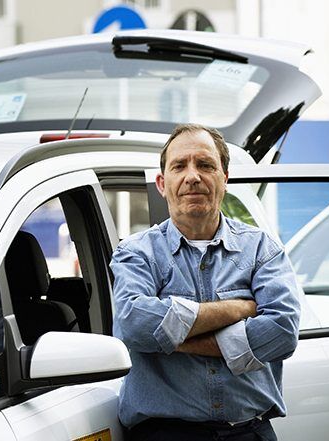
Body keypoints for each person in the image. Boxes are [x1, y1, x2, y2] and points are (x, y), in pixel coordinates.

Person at [111, 123, 300, 441]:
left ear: (224, 178)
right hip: (165, 435)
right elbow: (134, 325)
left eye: (205, 164)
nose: (192, 176)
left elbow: (282, 332)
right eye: (179, 166)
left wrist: (174, 338)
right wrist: (238, 309)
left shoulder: (261, 250)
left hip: (250, 433)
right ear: (162, 183)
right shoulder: (136, 253)